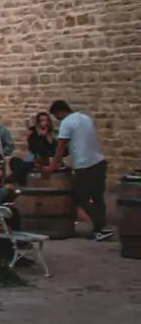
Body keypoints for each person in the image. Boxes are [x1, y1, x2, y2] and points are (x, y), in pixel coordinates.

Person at [48, 100, 113, 241]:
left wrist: (53, 165)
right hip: (99, 161)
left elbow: (61, 147)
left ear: (59, 112)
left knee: (80, 197)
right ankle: (100, 231)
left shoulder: (66, 122)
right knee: (97, 198)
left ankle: (102, 226)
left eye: (56, 116)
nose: (57, 119)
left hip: (85, 165)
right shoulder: (85, 118)